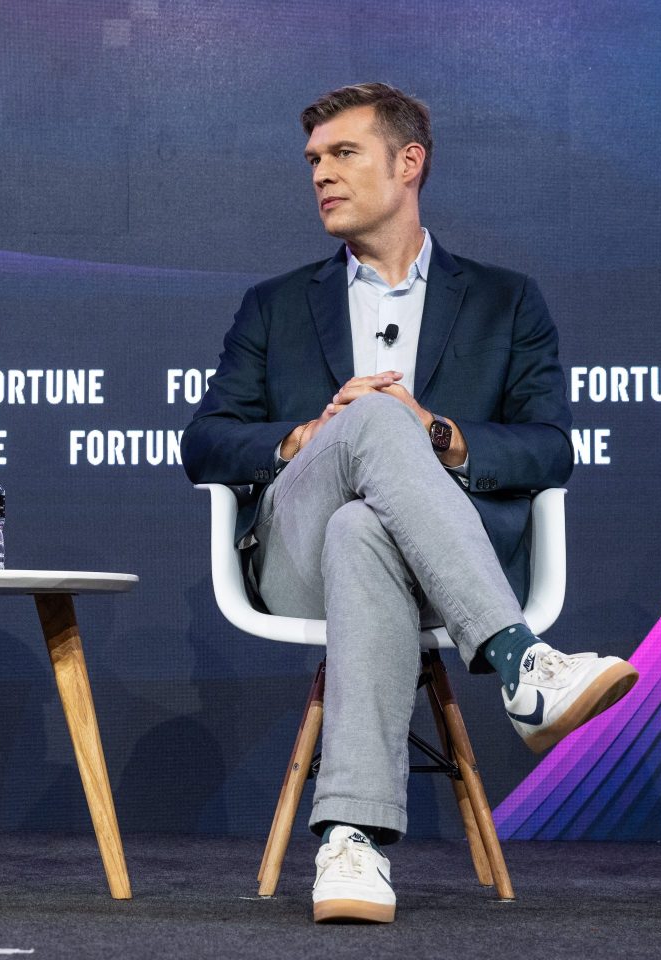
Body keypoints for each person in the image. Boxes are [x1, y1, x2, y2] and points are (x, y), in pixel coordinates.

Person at [181, 82, 637, 924]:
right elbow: (204, 440)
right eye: (314, 160)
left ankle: (351, 841)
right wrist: (312, 435)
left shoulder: (506, 300)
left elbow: (550, 448)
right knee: (365, 436)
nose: (322, 174)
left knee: (367, 522)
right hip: (295, 555)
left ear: (409, 163)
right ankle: (522, 666)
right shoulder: (275, 304)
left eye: (344, 154)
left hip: (438, 567)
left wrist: (442, 435)